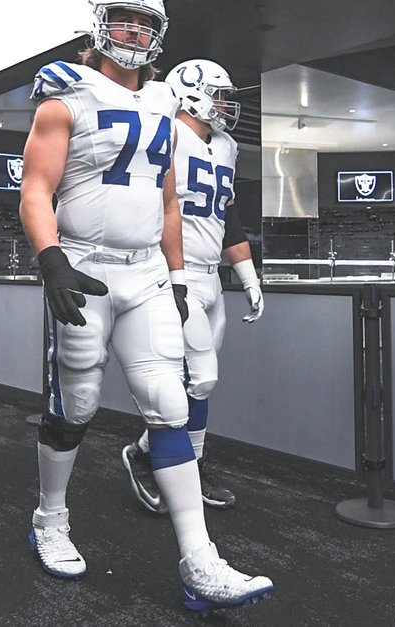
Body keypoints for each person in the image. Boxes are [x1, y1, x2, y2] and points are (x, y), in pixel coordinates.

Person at [18, 0, 272, 615]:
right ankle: (50, 519)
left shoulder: (164, 102)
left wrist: (178, 277)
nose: (133, 33)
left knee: (169, 403)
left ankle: (200, 562)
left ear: (158, 36)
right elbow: (36, 188)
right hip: (84, 266)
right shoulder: (67, 92)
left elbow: (167, 201)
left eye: (145, 24)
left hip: (147, 271)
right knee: (76, 404)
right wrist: (51, 259)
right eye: (123, 21)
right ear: (101, 25)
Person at [120, 59, 265, 512]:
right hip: (172, 276)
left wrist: (248, 276)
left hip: (210, 277)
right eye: (218, 95)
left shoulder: (226, 146)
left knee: (199, 384)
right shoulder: (164, 133)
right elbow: (151, 207)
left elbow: (227, 216)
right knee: (193, 379)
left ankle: (153, 454)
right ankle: (174, 463)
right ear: (191, 93)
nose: (225, 105)